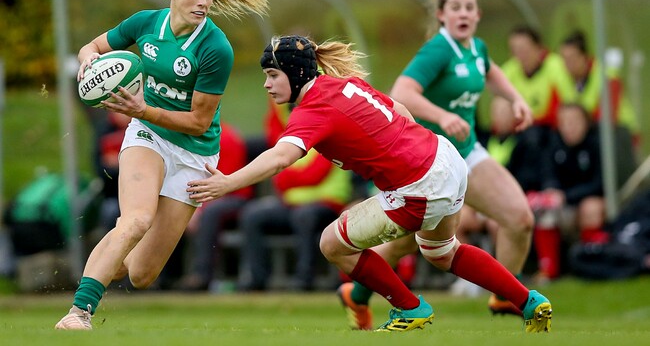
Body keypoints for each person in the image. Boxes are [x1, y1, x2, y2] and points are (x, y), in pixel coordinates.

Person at [187, 34, 553, 333]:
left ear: (296, 72)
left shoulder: (313, 108)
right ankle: (529, 302)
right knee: (442, 252)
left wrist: (227, 183)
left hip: (420, 182)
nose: (267, 84)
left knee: (331, 244)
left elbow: (281, 157)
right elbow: (400, 110)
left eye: (273, 75)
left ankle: (409, 308)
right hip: (445, 159)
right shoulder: (343, 84)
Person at [54, 0, 268, 330]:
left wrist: (142, 109)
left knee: (140, 273)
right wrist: (89, 62)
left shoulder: (216, 48)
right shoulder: (146, 23)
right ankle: (78, 313)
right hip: (147, 135)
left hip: (194, 153)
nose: (203, 2)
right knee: (136, 221)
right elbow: (93, 47)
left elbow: (199, 123)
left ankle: (115, 247)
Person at [338, 0, 537, 327]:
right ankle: (357, 295)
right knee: (403, 244)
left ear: (478, 15)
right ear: (442, 15)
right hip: (427, 164)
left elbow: (489, 71)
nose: (463, 13)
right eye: (455, 7)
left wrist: (515, 98)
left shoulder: (476, 48)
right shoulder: (438, 50)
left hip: (466, 154)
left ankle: (507, 297)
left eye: (469, 7)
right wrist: (443, 116)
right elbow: (402, 92)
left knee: (520, 219)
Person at [238, 146, 351, 291]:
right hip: (292, 205)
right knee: (253, 216)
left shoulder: (329, 145)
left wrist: (291, 177)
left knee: (304, 217)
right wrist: (295, 176)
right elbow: (280, 179)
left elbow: (313, 175)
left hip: (327, 205)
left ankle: (304, 279)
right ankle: (257, 278)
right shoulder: (295, 145)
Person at [174, 121, 255, 291]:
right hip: (207, 198)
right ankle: (165, 276)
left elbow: (224, 184)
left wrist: (197, 209)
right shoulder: (193, 138)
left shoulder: (226, 138)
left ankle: (203, 275)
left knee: (210, 213)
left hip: (234, 197)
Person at [531, 103, 607, 282]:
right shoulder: (554, 144)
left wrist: (567, 196)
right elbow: (547, 174)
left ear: (586, 123)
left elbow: (599, 183)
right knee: (545, 210)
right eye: (564, 123)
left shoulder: (596, 144)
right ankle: (548, 269)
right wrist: (552, 190)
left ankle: (590, 262)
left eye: (574, 122)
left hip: (583, 202)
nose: (569, 127)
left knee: (591, 207)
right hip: (563, 206)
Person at [502, 25, 575, 129]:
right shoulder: (509, 70)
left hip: (552, 127)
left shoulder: (557, 66)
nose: (520, 55)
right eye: (515, 51)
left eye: (524, 50)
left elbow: (569, 101)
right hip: (521, 127)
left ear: (538, 48)